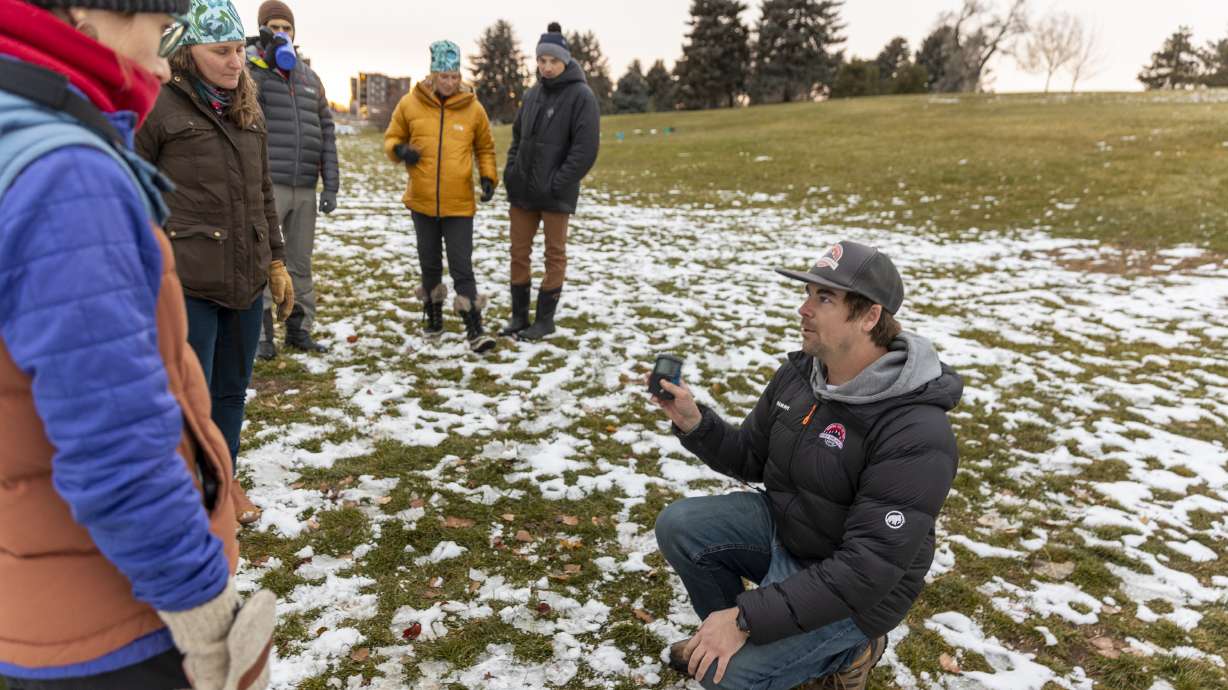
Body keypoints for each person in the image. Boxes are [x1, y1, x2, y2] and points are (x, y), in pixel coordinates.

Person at [0, 0, 276, 688]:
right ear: (83, 15)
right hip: (114, 619)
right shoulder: (68, 177)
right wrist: (205, 609)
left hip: (34, 586)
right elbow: (116, 440)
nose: (160, 62)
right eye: (159, 34)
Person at [650, 241, 963, 690]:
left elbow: (867, 569)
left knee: (728, 679)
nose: (804, 309)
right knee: (682, 525)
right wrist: (695, 423)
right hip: (791, 533)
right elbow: (751, 456)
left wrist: (747, 616)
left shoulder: (916, 430)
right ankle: (720, 637)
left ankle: (852, 651)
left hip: (856, 592)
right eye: (808, 294)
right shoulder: (803, 374)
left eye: (824, 299)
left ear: (870, 317)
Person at [136, 0, 293, 525]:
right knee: (189, 397)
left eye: (239, 51)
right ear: (187, 51)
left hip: (245, 277)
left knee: (231, 391)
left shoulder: (249, 106)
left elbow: (263, 190)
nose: (234, 63)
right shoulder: (160, 106)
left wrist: (276, 259)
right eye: (220, 52)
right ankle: (186, 495)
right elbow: (134, 191)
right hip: (189, 280)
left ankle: (223, 483)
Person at [384, 39, 498, 353]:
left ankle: (474, 328)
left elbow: (485, 148)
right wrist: (400, 151)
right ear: (433, 74)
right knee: (429, 262)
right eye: (443, 76)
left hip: (459, 203)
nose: (449, 82)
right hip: (422, 201)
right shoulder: (410, 104)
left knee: (462, 265)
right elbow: (392, 137)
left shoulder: (474, 109)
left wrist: (488, 177)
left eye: (454, 76)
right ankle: (433, 318)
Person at [248, 0, 339, 360]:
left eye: (287, 27)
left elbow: (327, 132)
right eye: (275, 26)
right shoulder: (249, 70)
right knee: (265, 261)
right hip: (267, 186)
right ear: (263, 29)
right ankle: (262, 337)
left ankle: (299, 330)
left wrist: (330, 184)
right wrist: (262, 65)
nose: (282, 33)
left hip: (304, 188)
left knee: (300, 263)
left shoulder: (309, 76)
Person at [499, 22, 600, 342]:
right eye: (541, 60)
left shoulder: (582, 96)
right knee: (518, 252)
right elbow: (517, 138)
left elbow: (585, 150)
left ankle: (545, 320)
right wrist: (511, 171)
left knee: (554, 255)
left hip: (556, 195)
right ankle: (518, 316)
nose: (545, 66)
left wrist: (559, 183)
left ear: (565, 61)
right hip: (523, 193)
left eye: (552, 61)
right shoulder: (531, 94)